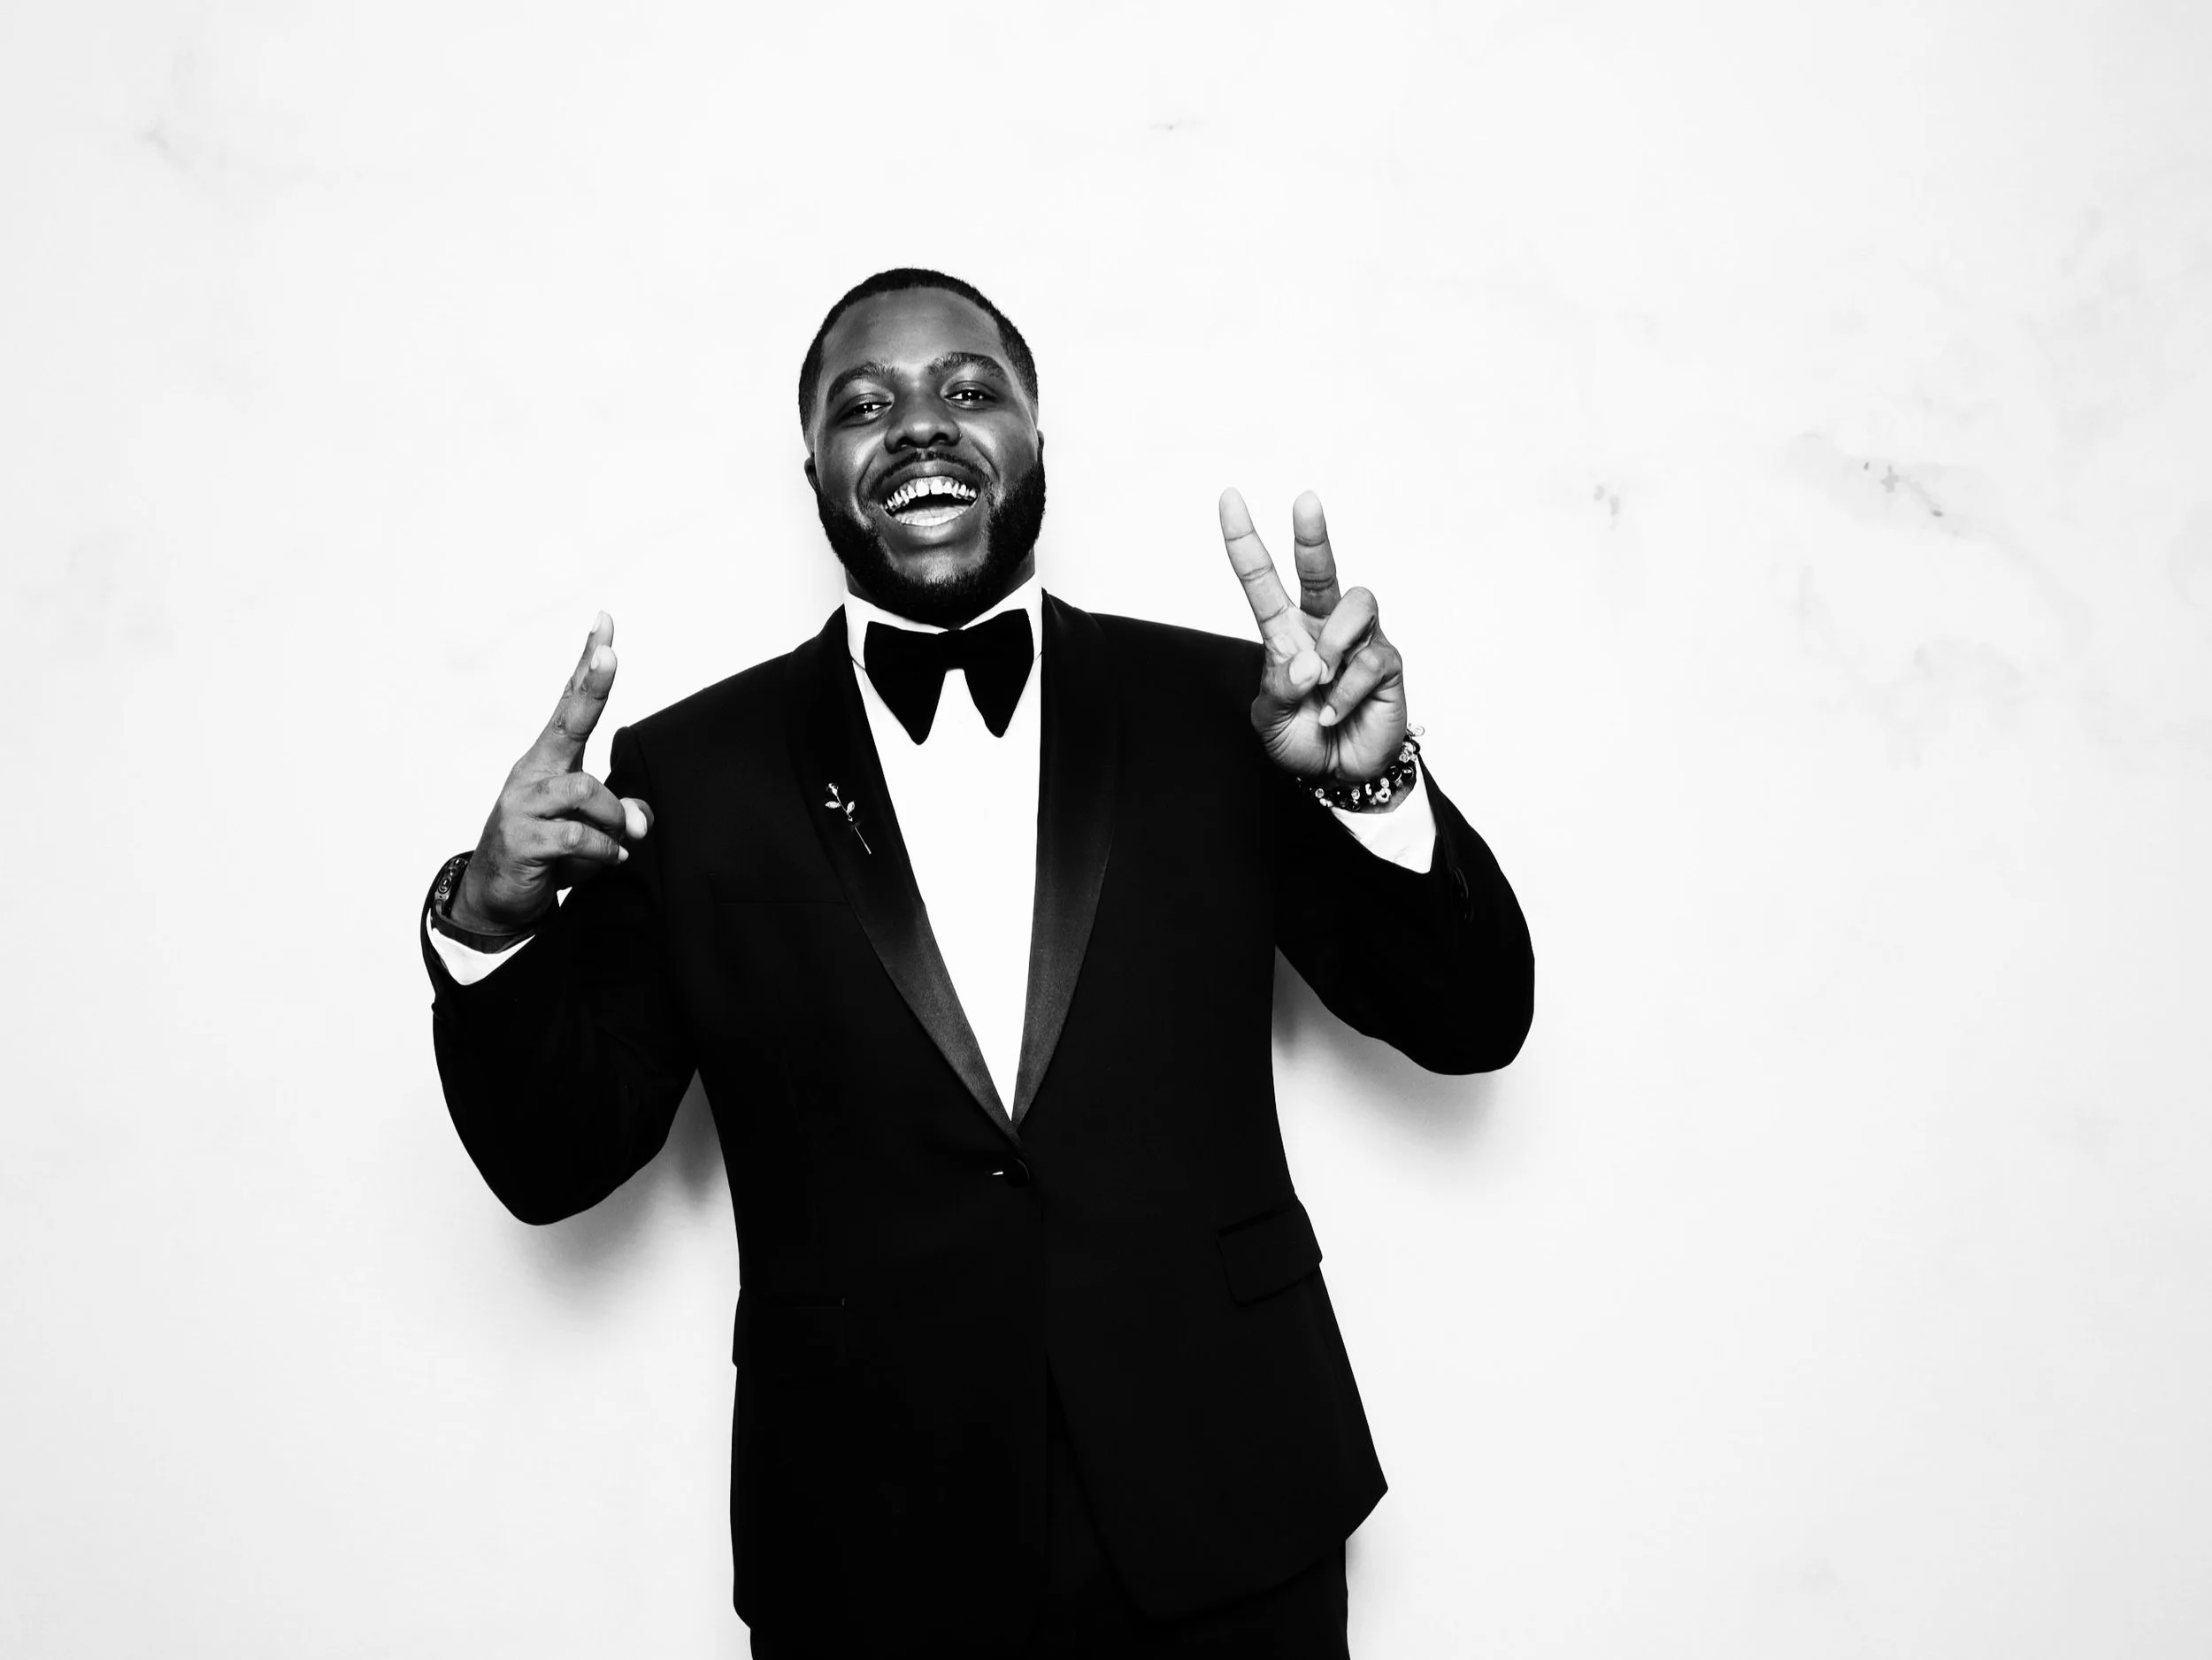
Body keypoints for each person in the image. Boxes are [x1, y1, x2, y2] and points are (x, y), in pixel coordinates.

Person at [420, 268, 1532, 1656]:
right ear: (816, 473)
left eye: (968, 388)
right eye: (863, 404)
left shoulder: (1229, 710)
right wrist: (489, 925)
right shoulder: (691, 776)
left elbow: (1472, 1018)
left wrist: (1374, 789)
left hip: (1229, 1496)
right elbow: (553, 1160)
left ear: (1034, 439)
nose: (919, 424)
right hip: (867, 1540)